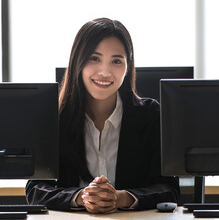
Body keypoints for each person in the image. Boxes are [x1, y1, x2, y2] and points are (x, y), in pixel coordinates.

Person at [25, 18, 180, 213]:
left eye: (116, 61)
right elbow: (35, 189)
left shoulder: (150, 116)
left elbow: (169, 189)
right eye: (94, 58)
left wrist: (122, 198)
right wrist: (81, 197)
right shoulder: (56, 119)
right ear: (78, 62)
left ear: (128, 67)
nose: (105, 72)